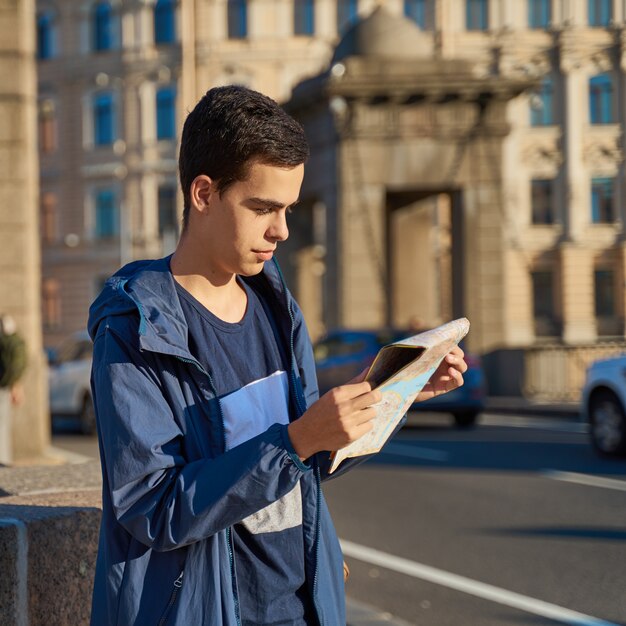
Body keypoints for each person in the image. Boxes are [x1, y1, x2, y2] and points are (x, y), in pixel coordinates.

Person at [88, 85, 467, 626]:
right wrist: (296, 440)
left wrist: (392, 396)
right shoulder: (135, 329)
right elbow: (154, 506)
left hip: (304, 606)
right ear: (203, 193)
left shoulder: (275, 305)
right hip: (207, 610)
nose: (281, 230)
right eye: (263, 207)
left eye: (287, 208)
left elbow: (307, 461)